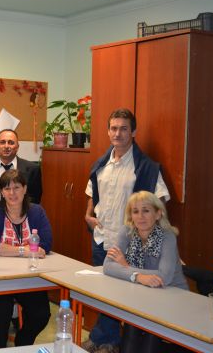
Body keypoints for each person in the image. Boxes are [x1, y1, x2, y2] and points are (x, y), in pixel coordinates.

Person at [82, 108, 170, 353]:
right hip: (102, 238)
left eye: (123, 128)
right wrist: (89, 215)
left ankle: (110, 341)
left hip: (128, 243)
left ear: (133, 132)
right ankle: (103, 338)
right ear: (108, 131)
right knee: (103, 292)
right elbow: (92, 193)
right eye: (113, 128)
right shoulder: (102, 165)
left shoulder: (145, 167)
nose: (117, 133)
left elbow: (161, 199)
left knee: (121, 294)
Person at [104, 191, 187, 353]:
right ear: (131, 216)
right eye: (135, 211)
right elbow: (107, 266)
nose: (140, 216)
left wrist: (126, 267)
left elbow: (164, 277)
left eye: (146, 210)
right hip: (142, 296)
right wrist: (138, 277)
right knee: (131, 327)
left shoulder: (167, 236)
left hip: (173, 297)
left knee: (149, 332)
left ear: (158, 214)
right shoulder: (127, 232)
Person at [0, 169, 52, 349]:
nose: (12, 193)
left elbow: (46, 244)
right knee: (2, 311)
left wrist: (10, 250)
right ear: (1, 192)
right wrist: (26, 250)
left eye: (16, 187)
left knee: (41, 314)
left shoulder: (36, 212)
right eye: (7, 189)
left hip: (29, 277)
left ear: (25, 189)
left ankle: (23, 343)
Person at [0, 129, 42, 206]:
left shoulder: (33, 169)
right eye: (2, 142)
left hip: (21, 212)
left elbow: (34, 199)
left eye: (11, 143)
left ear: (17, 147)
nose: (6, 146)